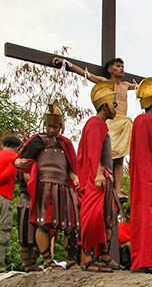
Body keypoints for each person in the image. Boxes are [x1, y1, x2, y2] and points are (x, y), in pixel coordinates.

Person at [54, 56, 135, 199]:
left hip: (123, 122)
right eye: (117, 66)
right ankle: (102, 180)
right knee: (107, 155)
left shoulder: (126, 85)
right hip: (110, 122)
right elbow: (86, 74)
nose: (121, 68)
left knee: (120, 159)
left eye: (122, 66)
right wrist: (67, 64)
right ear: (110, 69)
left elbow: (144, 87)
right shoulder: (105, 82)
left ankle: (117, 189)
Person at [14, 101, 80, 270]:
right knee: (43, 223)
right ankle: (47, 260)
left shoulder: (66, 144)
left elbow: (70, 168)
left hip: (63, 188)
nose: (51, 130)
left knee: (70, 225)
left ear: (61, 126)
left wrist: (75, 178)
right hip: (43, 188)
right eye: (49, 126)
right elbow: (25, 162)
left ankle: (71, 260)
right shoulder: (37, 141)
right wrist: (22, 168)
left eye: (55, 127)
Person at [77, 81, 119, 272]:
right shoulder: (95, 124)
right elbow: (93, 153)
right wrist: (98, 174)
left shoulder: (101, 125)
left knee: (107, 217)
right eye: (114, 103)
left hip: (104, 177)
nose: (116, 107)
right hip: (96, 179)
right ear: (105, 105)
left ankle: (103, 255)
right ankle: (88, 258)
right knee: (93, 218)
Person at [129, 77, 152, 273]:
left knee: (148, 218)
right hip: (147, 178)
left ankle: (146, 259)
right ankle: (145, 261)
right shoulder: (146, 121)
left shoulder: (144, 121)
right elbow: (145, 155)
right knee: (146, 218)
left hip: (147, 177)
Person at [0, 135, 22, 270]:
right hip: (4, 197)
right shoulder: (14, 159)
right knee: (3, 231)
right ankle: (0, 266)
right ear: (17, 147)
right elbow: (7, 176)